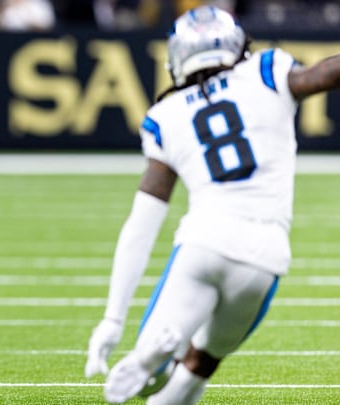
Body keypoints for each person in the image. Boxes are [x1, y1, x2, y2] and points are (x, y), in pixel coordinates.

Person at [84, 5, 340, 404]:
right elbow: (324, 74)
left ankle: (155, 356)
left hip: (204, 242)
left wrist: (113, 318)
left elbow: (142, 223)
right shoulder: (266, 71)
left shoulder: (166, 114)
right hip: (265, 253)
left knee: (155, 369)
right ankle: (166, 363)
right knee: (202, 364)